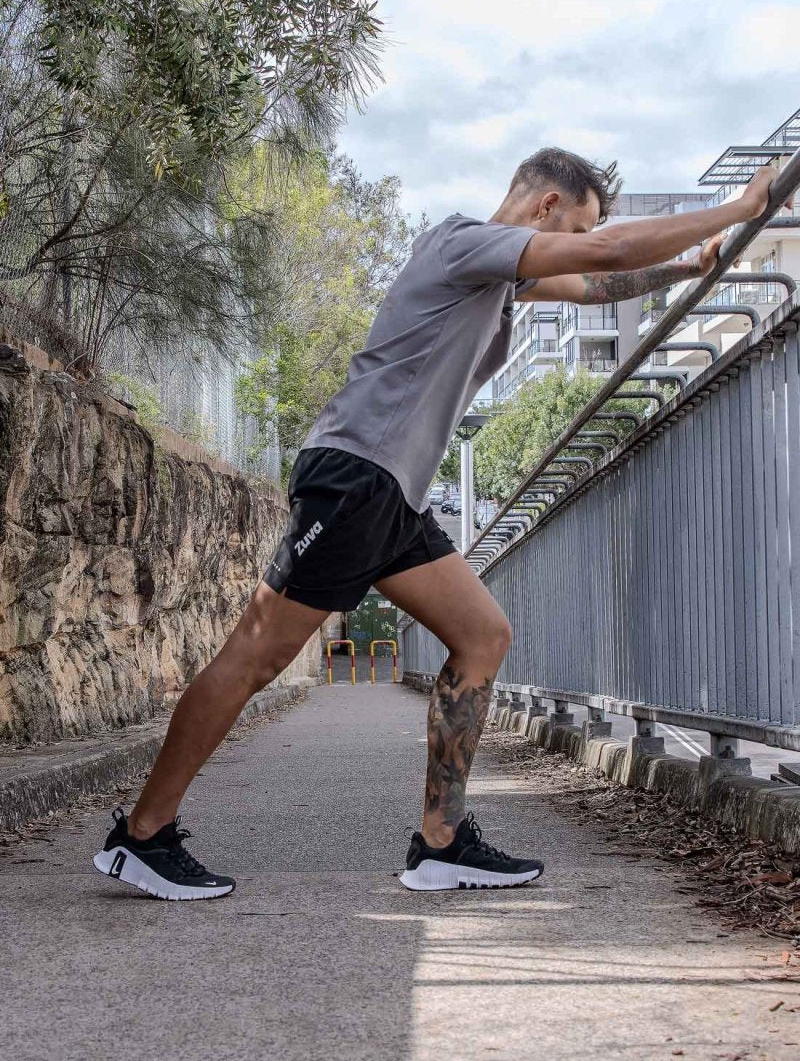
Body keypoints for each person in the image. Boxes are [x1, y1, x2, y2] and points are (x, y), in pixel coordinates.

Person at [92, 149, 783, 899]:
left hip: (397, 498)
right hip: (354, 477)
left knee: (483, 634)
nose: (579, 238)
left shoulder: (502, 278)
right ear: (546, 207)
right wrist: (741, 207)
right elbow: (606, 253)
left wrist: (689, 268)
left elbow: (597, 282)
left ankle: (442, 841)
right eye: (575, 224)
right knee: (256, 656)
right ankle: (143, 835)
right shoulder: (463, 243)